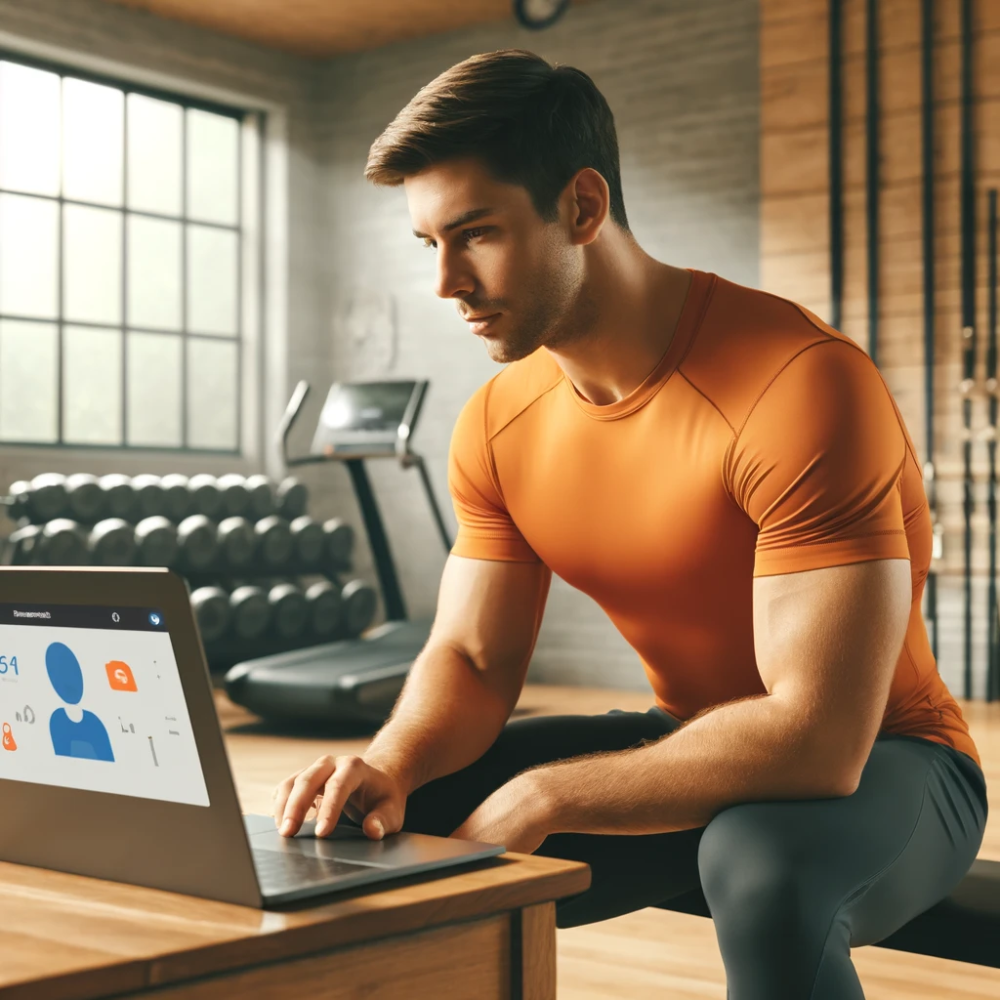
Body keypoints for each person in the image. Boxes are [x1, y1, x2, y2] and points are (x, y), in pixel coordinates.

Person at [273, 49, 987, 998]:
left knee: (761, 865)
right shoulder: (499, 419)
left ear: (582, 207)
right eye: (429, 243)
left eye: (476, 234)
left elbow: (818, 737)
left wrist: (549, 794)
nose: (447, 283)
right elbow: (476, 662)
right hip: (692, 736)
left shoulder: (799, 385)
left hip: (893, 763)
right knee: (385, 822)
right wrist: (391, 764)